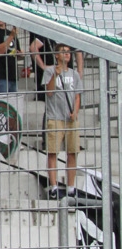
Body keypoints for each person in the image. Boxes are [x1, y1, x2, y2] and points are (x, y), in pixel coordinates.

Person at [43, 44, 83, 200]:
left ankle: (71, 187)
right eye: (63, 52)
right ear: (56, 55)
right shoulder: (49, 71)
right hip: (55, 117)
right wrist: (55, 75)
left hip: (70, 119)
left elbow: (77, 96)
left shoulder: (74, 74)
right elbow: (49, 91)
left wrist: (76, 111)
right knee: (53, 152)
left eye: (68, 52)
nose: (67, 55)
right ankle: (54, 186)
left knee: (72, 152)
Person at [0, 19, 21, 96]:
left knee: (13, 105)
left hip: (12, 74)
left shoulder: (10, 33)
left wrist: (20, 54)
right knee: (2, 104)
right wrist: (11, 36)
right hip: (0, 75)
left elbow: (18, 51)